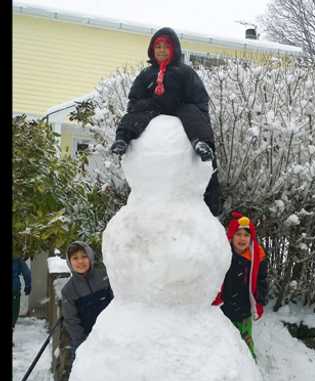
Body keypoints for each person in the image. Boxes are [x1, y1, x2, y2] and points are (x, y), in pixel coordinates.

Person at [109, 26, 221, 215]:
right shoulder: (146, 74)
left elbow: (199, 99)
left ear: (174, 49)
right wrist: (146, 104)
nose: (161, 50)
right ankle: (123, 139)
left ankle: (200, 144)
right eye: (157, 46)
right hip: (153, 109)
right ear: (152, 50)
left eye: (165, 47)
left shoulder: (185, 72)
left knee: (193, 114)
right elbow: (134, 99)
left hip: (180, 108)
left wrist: (186, 106)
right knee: (135, 116)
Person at [212, 212, 269, 361]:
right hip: (225, 307)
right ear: (231, 236)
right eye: (238, 234)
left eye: (246, 235)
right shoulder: (224, 254)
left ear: (251, 238)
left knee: (245, 342)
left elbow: (262, 280)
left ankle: (249, 365)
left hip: (244, 311)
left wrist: (259, 302)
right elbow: (216, 277)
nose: (242, 238)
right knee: (227, 342)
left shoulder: (257, 257)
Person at [61, 241, 114, 353]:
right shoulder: (68, 290)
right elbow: (71, 321)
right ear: (69, 262)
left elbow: (117, 302)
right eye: (75, 258)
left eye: (84, 256)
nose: (80, 261)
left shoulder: (105, 276)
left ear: (90, 257)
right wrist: (84, 345)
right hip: (87, 341)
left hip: (112, 336)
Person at [12, 256, 32, 339]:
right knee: (13, 313)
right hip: (14, 289)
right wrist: (28, 285)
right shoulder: (17, 257)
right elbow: (26, 272)